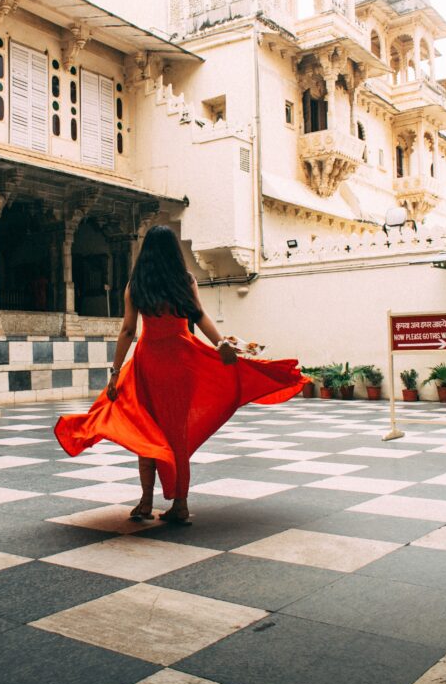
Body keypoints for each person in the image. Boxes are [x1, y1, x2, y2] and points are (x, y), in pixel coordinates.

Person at [55, 225, 305, 525]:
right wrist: (221, 343)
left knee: (143, 430)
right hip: (182, 361)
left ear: (146, 252)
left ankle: (146, 502)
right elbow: (198, 315)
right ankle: (181, 504)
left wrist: (114, 372)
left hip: (148, 363)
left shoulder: (137, 284)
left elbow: (128, 330)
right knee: (177, 434)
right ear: (174, 251)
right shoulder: (184, 281)